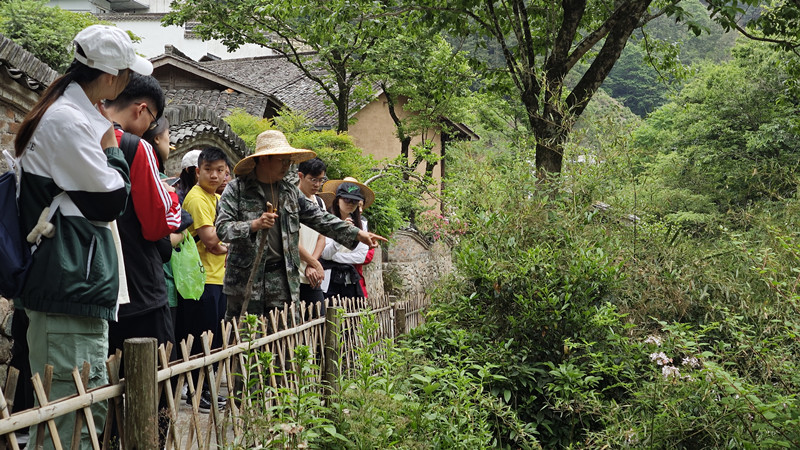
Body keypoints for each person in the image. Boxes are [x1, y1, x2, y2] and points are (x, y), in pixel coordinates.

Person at [14, 24, 151, 448]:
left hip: (71, 288)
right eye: (127, 74)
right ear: (111, 78)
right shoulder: (71, 122)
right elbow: (111, 199)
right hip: (68, 289)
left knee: (73, 416)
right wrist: (111, 144)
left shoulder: (67, 113)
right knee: (69, 421)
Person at [215, 130, 386, 322]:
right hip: (245, 279)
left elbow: (320, 218)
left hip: (282, 279)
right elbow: (222, 229)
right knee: (245, 336)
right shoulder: (237, 189)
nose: (287, 165)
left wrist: (357, 234)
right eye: (282, 160)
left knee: (283, 338)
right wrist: (254, 225)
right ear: (264, 160)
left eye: (289, 160)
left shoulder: (289, 192)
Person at [104, 74, 181, 374]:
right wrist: (172, 199)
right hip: (140, 289)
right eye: (153, 121)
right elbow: (158, 224)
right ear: (141, 109)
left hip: (96, 288)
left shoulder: (76, 135)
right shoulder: (135, 147)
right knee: (153, 386)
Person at [180, 146, 230, 412]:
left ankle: (207, 391)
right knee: (203, 339)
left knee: (213, 340)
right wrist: (229, 245)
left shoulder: (215, 199)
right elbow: (213, 242)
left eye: (220, 170)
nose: (215, 175)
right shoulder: (198, 198)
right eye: (209, 170)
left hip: (216, 277)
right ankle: (197, 394)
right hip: (202, 280)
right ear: (198, 171)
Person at [319, 179, 375, 300]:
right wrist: (342, 234)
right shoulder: (326, 221)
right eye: (347, 199)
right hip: (328, 280)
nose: (350, 203)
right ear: (338, 200)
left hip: (350, 280)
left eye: (354, 201)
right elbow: (325, 253)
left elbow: (360, 256)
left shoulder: (361, 225)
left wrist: (335, 257)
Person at [296, 158, 328, 312]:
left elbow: (322, 237)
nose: (317, 184)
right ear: (300, 176)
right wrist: (313, 263)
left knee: (320, 320)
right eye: (313, 179)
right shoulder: (290, 200)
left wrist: (311, 263)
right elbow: (289, 240)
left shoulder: (320, 203)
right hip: (292, 275)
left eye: (321, 180)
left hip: (312, 275)